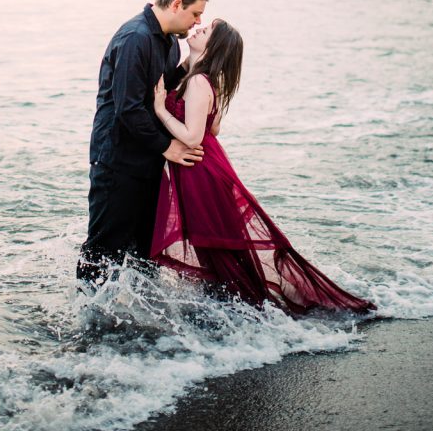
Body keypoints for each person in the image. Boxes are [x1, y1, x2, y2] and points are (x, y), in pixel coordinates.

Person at [151, 20, 376, 314]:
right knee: (220, 249)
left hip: (200, 171)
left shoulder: (196, 82)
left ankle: (248, 317)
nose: (198, 29)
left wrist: (159, 109)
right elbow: (213, 128)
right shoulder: (206, 80)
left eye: (205, 31)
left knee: (216, 249)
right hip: (209, 166)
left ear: (213, 47)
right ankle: (245, 314)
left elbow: (193, 137)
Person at [77, 0, 210, 284]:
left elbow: (160, 92)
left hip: (147, 160)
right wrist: (168, 147)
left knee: (145, 252)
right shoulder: (135, 38)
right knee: (102, 250)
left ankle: (139, 323)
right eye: (195, 13)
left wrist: (192, 61)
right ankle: (86, 322)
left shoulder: (169, 43)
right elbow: (129, 108)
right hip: (117, 161)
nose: (198, 21)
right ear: (177, 4)